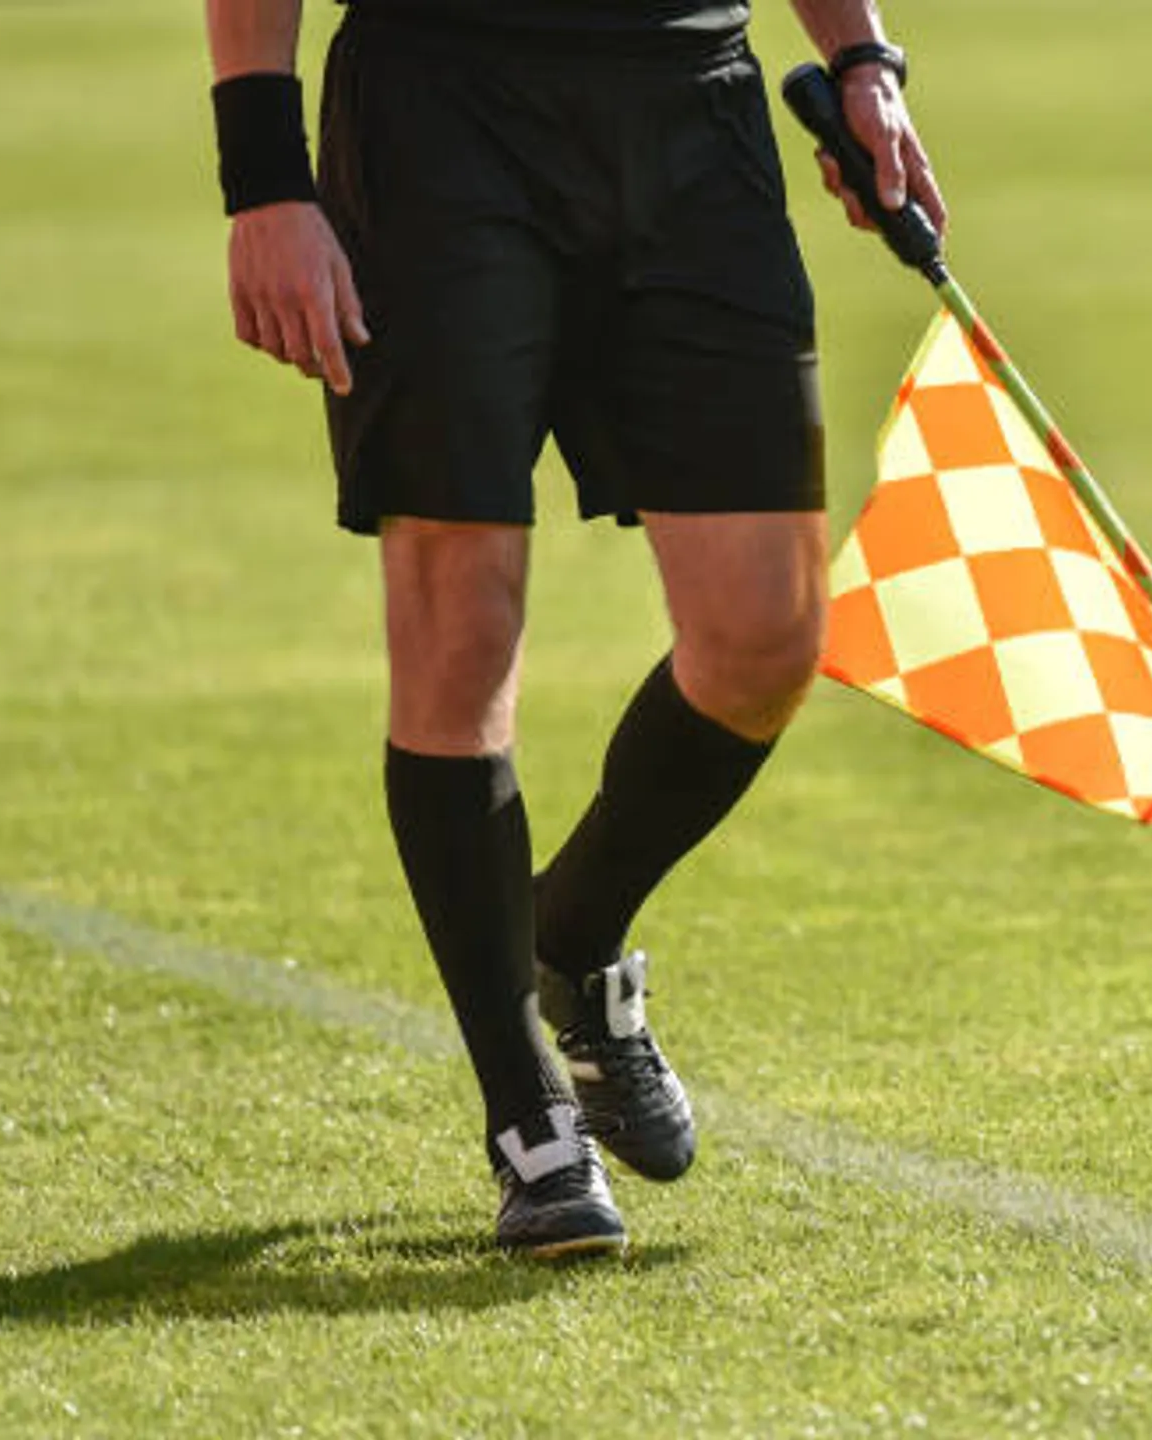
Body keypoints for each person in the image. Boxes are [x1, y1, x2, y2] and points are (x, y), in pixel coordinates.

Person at [204, 0, 945, 1258]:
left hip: (693, 108)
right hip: (440, 112)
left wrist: (862, 58)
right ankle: (530, 1116)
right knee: (460, 622)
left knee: (766, 638)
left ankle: (572, 934)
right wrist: (263, 176)